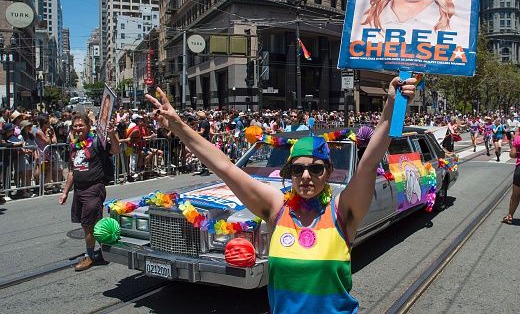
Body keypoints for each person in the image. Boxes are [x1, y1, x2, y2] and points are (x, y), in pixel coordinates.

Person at [146, 76, 417, 313]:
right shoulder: (277, 208)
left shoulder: (342, 210)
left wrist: (392, 105)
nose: (306, 176)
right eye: (298, 170)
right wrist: (179, 126)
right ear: (289, 173)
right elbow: (225, 167)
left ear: (328, 171)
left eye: (316, 168)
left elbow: (369, 163)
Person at [58, 114, 120, 271]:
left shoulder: (97, 142)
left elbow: (116, 150)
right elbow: (72, 170)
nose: (78, 128)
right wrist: (65, 191)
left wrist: (112, 134)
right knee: (91, 223)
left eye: (81, 125)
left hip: (94, 188)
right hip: (79, 190)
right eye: (75, 126)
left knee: (87, 225)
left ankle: (89, 256)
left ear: (88, 125)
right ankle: (108, 247)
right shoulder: (74, 146)